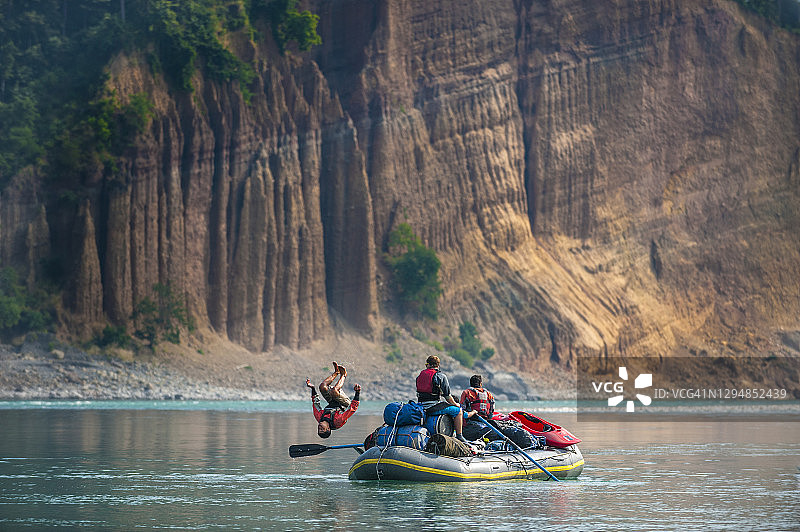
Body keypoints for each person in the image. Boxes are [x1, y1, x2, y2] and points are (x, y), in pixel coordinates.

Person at [416, 355, 470, 443]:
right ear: (438, 365)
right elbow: (447, 397)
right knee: (458, 411)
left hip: (420, 406)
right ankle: (459, 436)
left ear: (428, 365)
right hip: (432, 407)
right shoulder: (440, 376)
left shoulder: (420, 376)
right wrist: (456, 404)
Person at [306, 361, 360, 438]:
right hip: (345, 404)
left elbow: (315, 403)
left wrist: (313, 388)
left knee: (322, 387)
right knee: (334, 391)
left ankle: (336, 372)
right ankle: (343, 375)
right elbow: (352, 409)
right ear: (328, 429)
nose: (319, 428)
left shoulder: (319, 417)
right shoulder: (337, 421)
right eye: (322, 429)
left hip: (332, 401)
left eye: (318, 430)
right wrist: (357, 393)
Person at [460, 374, 497, 441]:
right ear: (480, 384)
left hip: (471, 423)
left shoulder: (466, 393)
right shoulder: (488, 394)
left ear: (470, 384)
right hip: (485, 423)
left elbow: (462, 410)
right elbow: (492, 410)